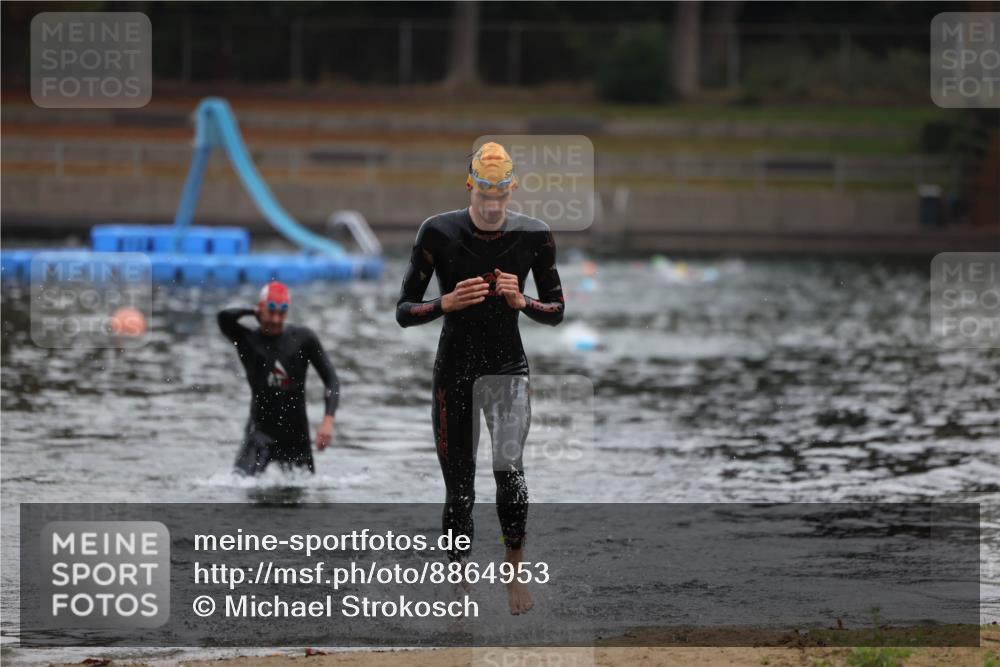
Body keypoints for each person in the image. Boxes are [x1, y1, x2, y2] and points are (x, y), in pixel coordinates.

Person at [396, 142, 565, 615]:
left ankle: (515, 573)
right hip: (454, 373)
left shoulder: (535, 235)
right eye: (484, 196)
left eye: (501, 197)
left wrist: (523, 302)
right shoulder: (438, 232)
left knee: (510, 473)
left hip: (508, 370)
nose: (492, 206)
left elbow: (556, 310)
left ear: (512, 190)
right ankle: (460, 593)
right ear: (470, 186)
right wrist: (444, 303)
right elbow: (404, 310)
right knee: (461, 492)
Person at [218, 281, 339, 476]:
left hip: (296, 437)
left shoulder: (303, 339)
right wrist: (252, 311)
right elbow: (224, 317)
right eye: (271, 312)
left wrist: (328, 420)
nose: (276, 319)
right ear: (261, 309)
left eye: (282, 313)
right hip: (259, 434)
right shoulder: (246, 339)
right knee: (238, 484)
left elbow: (331, 379)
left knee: (301, 490)